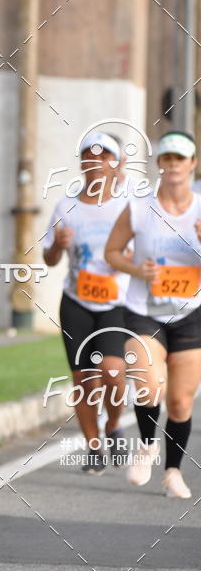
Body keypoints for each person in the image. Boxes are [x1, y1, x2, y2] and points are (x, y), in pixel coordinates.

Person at [105, 130, 201, 499]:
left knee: (179, 401)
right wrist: (136, 271)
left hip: (191, 313)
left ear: (192, 164)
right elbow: (112, 252)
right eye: (167, 158)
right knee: (148, 384)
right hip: (144, 310)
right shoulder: (140, 206)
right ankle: (147, 446)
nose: (174, 165)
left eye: (181, 158)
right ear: (159, 164)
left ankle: (173, 472)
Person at [43, 132, 130, 475]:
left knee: (112, 372)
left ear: (115, 162)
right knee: (84, 381)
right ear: (81, 163)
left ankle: (113, 425)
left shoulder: (127, 204)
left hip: (115, 300)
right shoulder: (66, 206)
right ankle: (93, 446)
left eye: (103, 156)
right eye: (88, 156)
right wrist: (57, 245)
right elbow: (49, 258)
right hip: (76, 300)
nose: (95, 162)